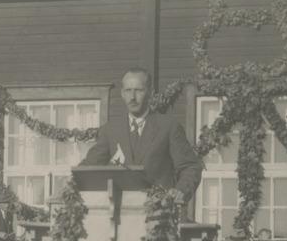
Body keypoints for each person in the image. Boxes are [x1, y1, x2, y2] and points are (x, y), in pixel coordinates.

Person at [81, 67, 203, 204]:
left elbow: (190, 167)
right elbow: (88, 168)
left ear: (150, 93)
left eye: (138, 90)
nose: (132, 97)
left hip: (160, 212)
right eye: (128, 91)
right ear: (122, 94)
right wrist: (69, 183)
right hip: (121, 215)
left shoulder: (168, 127)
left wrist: (180, 190)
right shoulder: (110, 130)